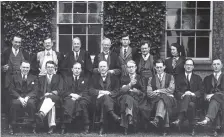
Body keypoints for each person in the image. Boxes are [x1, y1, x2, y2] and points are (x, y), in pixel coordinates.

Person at [139, 59, 176, 136]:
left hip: (170, 100)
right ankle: (165, 129)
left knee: (163, 99)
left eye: (161, 67)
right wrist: (163, 93)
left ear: (164, 67)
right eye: (157, 67)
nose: (159, 69)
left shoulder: (170, 77)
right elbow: (149, 93)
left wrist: (158, 91)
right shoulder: (151, 78)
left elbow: (171, 89)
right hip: (155, 101)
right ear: (155, 68)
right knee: (162, 100)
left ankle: (156, 120)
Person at [172, 59, 203, 136]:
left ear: (193, 67)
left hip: (195, 99)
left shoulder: (198, 78)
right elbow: (176, 91)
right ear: (184, 66)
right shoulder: (178, 77)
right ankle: (192, 128)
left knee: (190, 98)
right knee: (191, 105)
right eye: (187, 65)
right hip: (182, 100)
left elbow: (201, 91)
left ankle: (179, 118)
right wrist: (182, 94)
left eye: (190, 65)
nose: (188, 66)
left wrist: (192, 94)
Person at [1, 36, 30, 117]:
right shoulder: (6, 53)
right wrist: (2, 68)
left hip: (20, 82)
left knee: (19, 100)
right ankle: (9, 124)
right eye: (16, 42)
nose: (17, 44)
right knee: (8, 101)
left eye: (19, 42)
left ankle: (19, 120)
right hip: (8, 81)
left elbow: (28, 67)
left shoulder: (25, 53)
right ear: (12, 42)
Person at [89, 61, 120, 136]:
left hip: (112, 100)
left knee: (105, 100)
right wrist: (101, 92)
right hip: (97, 102)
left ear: (108, 68)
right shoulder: (94, 78)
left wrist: (109, 93)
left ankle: (102, 127)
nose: (102, 68)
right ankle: (112, 114)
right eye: (101, 67)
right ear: (98, 69)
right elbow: (90, 90)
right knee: (104, 99)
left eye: (104, 66)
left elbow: (117, 90)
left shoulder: (114, 78)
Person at [8, 61, 38, 135]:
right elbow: (11, 89)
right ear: (20, 67)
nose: (25, 69)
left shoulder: (34, 77)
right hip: (18, 98)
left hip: (29, 98)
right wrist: (20, 98)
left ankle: (32, 126)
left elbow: (35, 90)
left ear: (29, 68)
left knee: (31, 103)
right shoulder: (14, 77)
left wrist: (27, 97)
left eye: (27, 67)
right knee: (14, 103)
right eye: (24, 67)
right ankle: (13, 126)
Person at [61, 62, 91, 134]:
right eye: (75, 68)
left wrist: (78, 96)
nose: (77, 70)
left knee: (82, 103)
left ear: (81, 70)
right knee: (68, 102)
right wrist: (72, 95)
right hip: (70, 97)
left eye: (78, 68)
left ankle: (86, 126)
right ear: (72, 69)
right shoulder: (66, 79)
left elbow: (86, 91)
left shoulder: (86, 79)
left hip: (82, 97)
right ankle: (64, 126)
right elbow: (63, 91)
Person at [196, 59, 224, 137]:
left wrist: (212, 95)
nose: (216, 66)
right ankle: (215, 129)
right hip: (210, 102)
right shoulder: (207, 78)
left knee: (215, 99)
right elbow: (203, 91)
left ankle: (208, 119)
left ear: (222, 66)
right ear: (211, 66)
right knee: (214, 101)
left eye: (218, 64)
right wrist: (206, 97)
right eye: (214, 64)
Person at [35, 61, 64, 134]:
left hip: (56, 99)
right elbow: (37, 91)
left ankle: (41, 113)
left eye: (52, 67)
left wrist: (50, 94)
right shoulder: (41, 78)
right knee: (51, 104)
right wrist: (44, 95)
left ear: (55, 68)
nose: (50, 69)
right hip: (43, 100)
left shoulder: (59, 77)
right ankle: (51, 127)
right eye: (48, 67)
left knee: (51, 99)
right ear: (45, 68)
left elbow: (60, 90)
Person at [118, 60, 146, 135]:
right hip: (124, 98)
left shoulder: (140, 78)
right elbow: (120, 91)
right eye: (129, 67)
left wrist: (137, 91)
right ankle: (130, 119)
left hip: (136, 99)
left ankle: (125, 128)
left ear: (136, 67)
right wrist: (129, 84)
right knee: (126, 98)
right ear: (126, 68)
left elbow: (144, 92)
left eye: (132, 67)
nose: (131, 69)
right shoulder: (123, 78)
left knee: (127, 99)